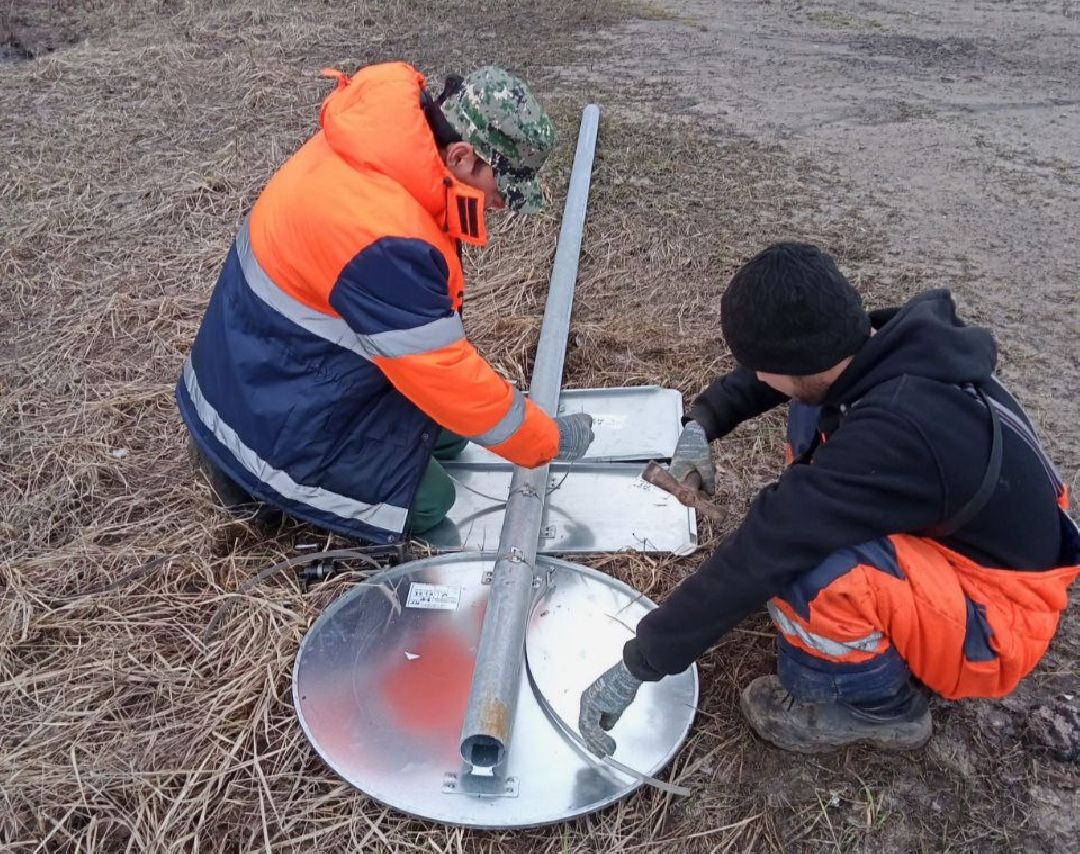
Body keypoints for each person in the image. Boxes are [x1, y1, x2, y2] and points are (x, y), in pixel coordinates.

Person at [579, 242, 1079, 755]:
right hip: (998, 537)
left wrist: (641, 661)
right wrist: (704, 422)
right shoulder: (883, 344)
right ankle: (893, 625)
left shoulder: (894, 434)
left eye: (761, 368)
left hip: (1000, 619)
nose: (760, 379)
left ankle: (877, 707)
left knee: (809, 571)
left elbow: (766, 549)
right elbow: (786, 376)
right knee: (808, 413)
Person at [176, 62, 594, 544]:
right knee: (432, 501)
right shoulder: (385, 235)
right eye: (500, 192)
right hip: (263, 424)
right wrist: (547, 440)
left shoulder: (389, 152)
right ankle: (268, 497)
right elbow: (443, 373)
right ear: (461, 157)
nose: (498, 206)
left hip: (274, 368)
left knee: (453, 434)